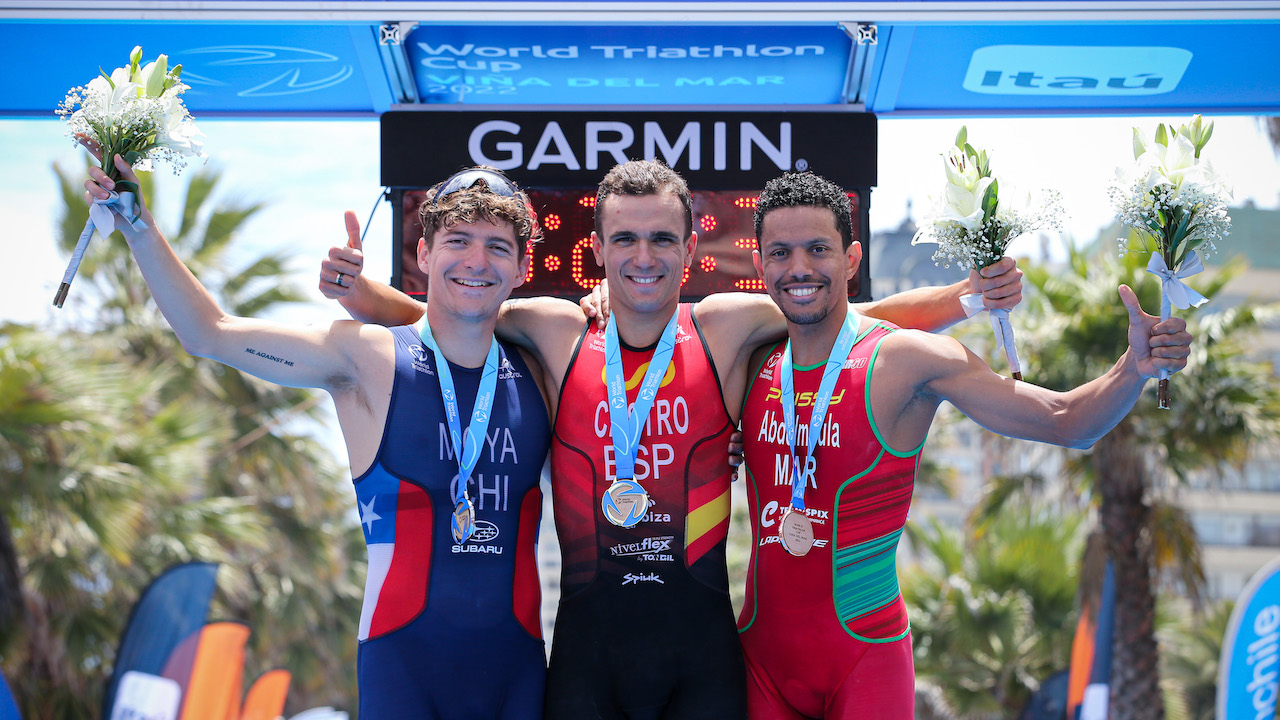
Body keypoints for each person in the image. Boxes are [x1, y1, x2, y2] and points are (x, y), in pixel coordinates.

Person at [325, 159, 1023, 720]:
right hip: (585, 664)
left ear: (690, 249)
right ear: (596, 249)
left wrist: (967, 299)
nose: (643, 256)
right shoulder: (558, 329)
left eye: (662, 238)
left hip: (703, 662)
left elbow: (850, 314)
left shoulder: (724, 325)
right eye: (624, 239)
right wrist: (360, 294)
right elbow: (445, 307)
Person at [85, 158, 552, 719]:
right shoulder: (368, 358)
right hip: (404, 667)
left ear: (523, 266)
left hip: (518, 673)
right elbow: (210, 333)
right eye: (458, 240)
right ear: (423, 255)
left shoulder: (541, 371)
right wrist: (139, 227)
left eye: (498, 247)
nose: (477, 261)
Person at [736, 172, 1192, 719]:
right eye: (781, 253)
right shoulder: (752, 357)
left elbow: (1068, 421)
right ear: (760, 265)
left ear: (852, 259)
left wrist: (1132, 370)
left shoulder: (907, 359)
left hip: (863, 662)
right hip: (760, 665)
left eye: (818, 250)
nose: (800, 269)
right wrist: (598, 310)